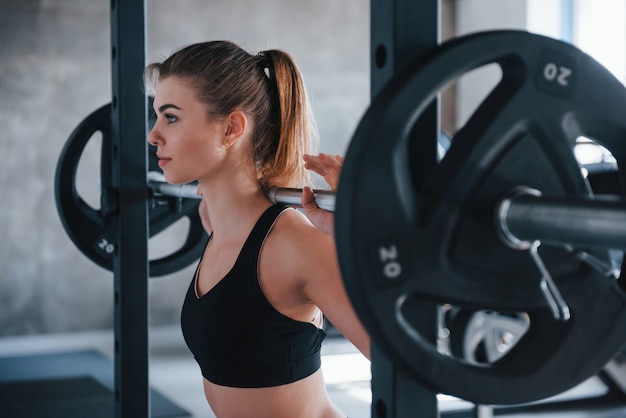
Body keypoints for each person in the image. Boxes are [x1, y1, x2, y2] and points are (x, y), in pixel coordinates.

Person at [145, 41, 370, 418]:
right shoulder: (220, 226)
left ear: (232, 128)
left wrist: (362, 230)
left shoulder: (295, 246)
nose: (153, 135)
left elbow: (402, 358)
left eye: (170, 118)